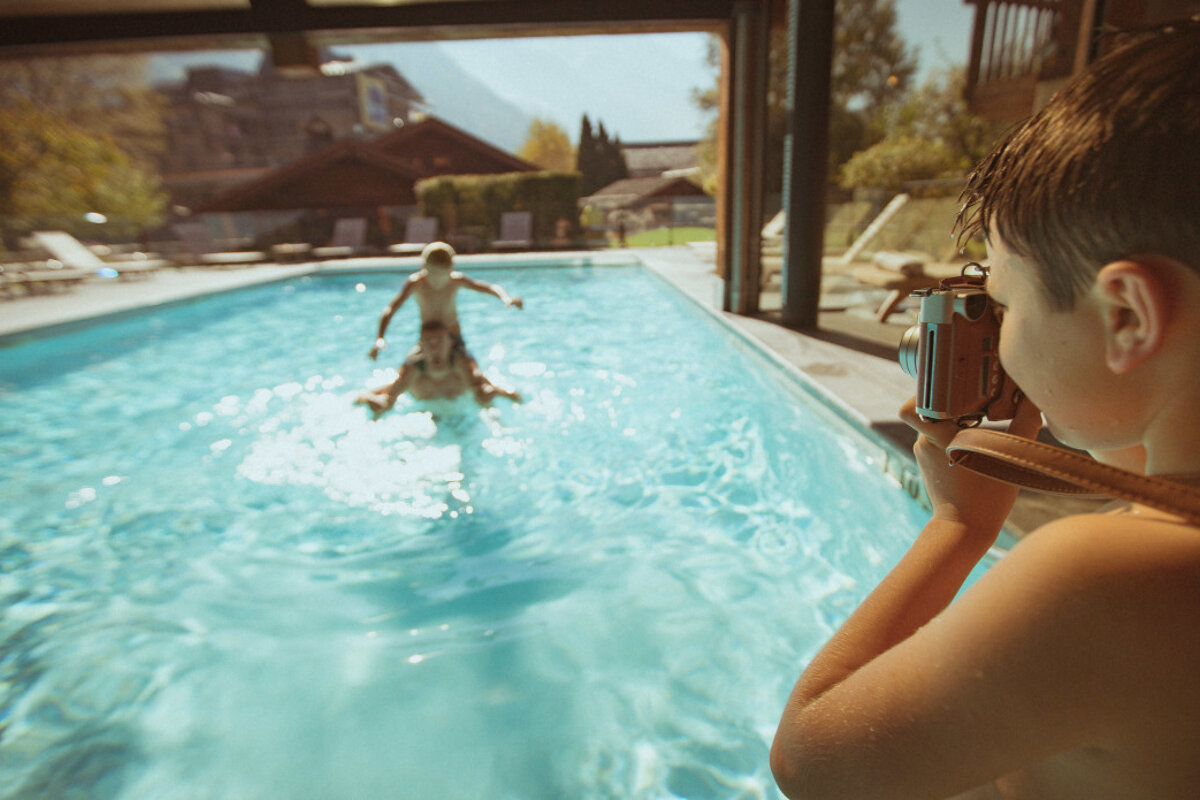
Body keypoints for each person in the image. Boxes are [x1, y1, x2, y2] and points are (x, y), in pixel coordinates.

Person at [771, 24, 1200, 800]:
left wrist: (958, 526)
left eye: (1005, 302)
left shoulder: (1098, 583)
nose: (1000, 341)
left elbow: (812, 763)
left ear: (1129, 318)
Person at [367, 241, 523, 366]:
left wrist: (506, 298)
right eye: (433, 276)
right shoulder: (416, 283)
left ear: (450, 270)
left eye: (442, 276)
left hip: (453, 336)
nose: (437, 281)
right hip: (428, 340)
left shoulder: (455, 280)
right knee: (407, 372)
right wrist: (379, 338)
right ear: (424, 269)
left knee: (472, 373)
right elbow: (391, 309)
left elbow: (488, 287)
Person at [356, 319, 521, 416]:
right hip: (421, 420)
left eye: (440, 342)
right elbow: (375, 398)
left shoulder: (462, 368)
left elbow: (487, 392)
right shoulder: (412, 372)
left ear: (450, 344)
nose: (435, 349)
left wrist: (498, 394)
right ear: (421, 346)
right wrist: (373, 402)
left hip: (463, 418)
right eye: (429, 343)